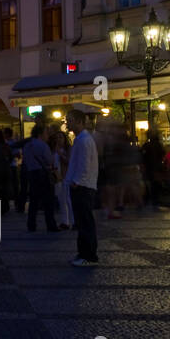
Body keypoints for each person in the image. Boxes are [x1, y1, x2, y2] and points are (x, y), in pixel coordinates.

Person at [65, 109, 99, 266]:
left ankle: (88, 256)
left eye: (70, 120)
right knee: (82, 222)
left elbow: (84, 165)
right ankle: (83, 253)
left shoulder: (84, 140)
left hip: (83, 186)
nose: (67, 122)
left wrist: (76, 181)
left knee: (85, 222)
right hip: (81, 185)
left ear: (79, 121)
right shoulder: (81, 139)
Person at [22, 123, 60, 232]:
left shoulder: (27, 145)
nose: (47, 135)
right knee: (48, 201)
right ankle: (51, 225)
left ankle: (31, 225)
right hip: (43, 174)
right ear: (41, 133)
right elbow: (50, 161)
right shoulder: (43, 145)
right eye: (46, 133)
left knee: (33, 201)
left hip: (32, 174)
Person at [141, 132, 168, 210]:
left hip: (149, 168)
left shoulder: (146, 145)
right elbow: (163, 154)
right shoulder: (158, 145)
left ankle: (147, 201)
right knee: (155, 185)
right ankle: (155, 201)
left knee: (150, 185)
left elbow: (142, 155)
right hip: (157, 168)